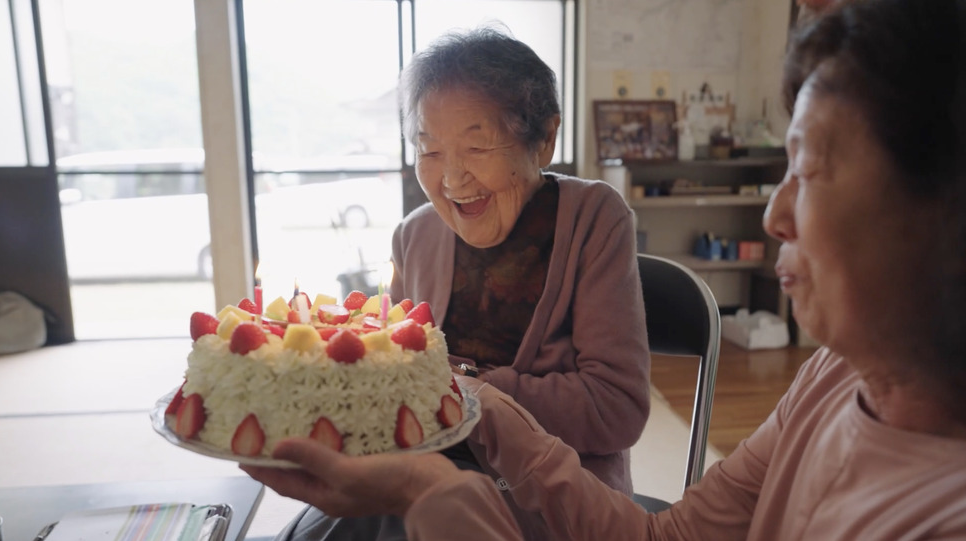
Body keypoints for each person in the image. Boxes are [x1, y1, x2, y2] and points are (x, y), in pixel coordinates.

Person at [244, 0, 966, 538]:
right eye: (428, 146)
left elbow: (615, 409)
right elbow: (667, 537)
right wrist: (446, 438)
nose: (775, 214)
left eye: (809, 168)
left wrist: (450, 457)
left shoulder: (937, 509)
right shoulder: (830, 378)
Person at [259, 25, 651, 541]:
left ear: (545, 139)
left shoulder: (595, 219)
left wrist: (470, 394)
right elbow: (391, 383)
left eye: (477, 144)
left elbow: (615, 409)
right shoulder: (415, 235)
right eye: (430, 149)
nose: (451, 178)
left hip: (549, 488)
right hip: (419, 468)